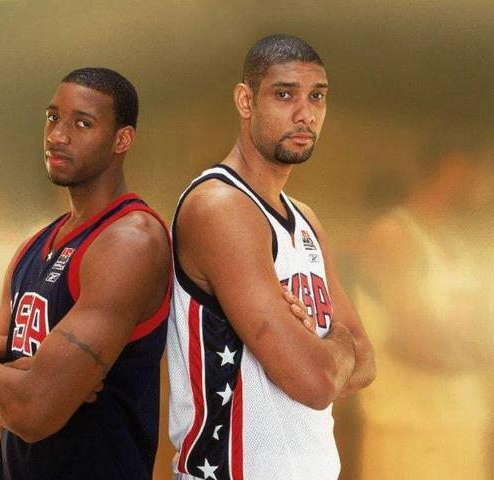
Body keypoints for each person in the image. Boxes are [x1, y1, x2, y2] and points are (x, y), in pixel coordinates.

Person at [167, 34, 375, 480]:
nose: (305, 114)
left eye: (317, 96)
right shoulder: (219, 207)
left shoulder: (305, 219)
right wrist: (337, 342)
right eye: (284, 95)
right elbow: (316, 382)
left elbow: (367, 364)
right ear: (246, 101)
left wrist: (324, 352)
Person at [0, 67, 172, 480]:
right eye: (53, 117)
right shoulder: (33, 247)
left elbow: (33, 412)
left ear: (122, 140)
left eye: (82, 123)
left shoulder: (130, 241)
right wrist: (21, 378)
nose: (57, 135)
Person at [354, 131, 493, 479]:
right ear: (455, 167)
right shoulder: (394, 237)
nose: (489, 185)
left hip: (462, 426)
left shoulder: (458, 243)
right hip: (410, 436)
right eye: (487, 170)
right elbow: (416, 343)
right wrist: (478, 351)